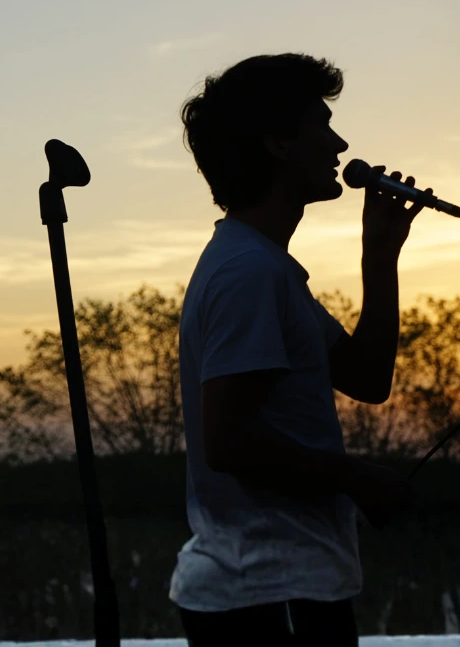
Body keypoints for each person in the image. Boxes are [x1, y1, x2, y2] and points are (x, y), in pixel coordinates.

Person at [169, 53, 429, 645]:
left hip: (284, 587)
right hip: (266, 590)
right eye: (321, 124)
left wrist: (379, 260)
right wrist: (356, 475)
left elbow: (366, 380)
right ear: (279, 145)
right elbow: (228, 442)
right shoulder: (248, 272)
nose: (339, 144)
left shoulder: (265, 267)